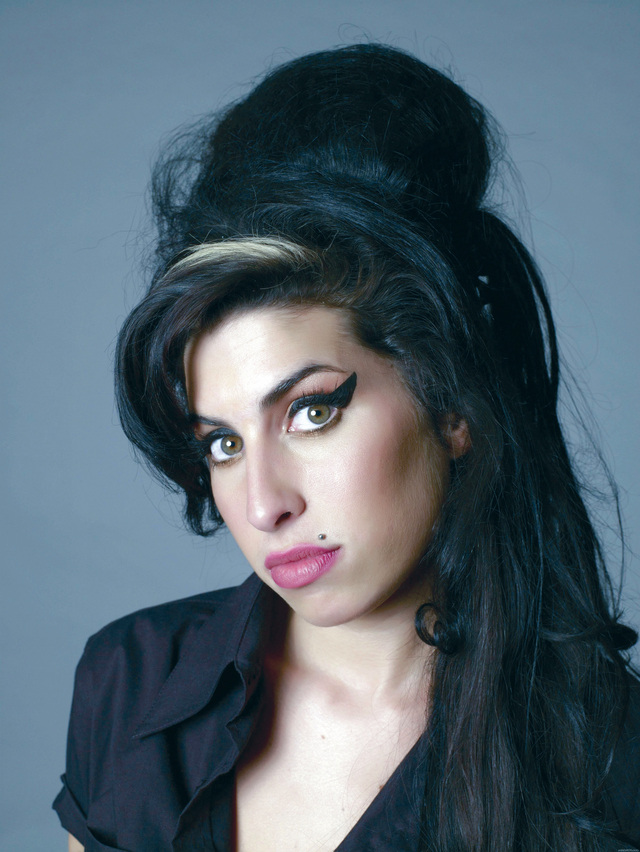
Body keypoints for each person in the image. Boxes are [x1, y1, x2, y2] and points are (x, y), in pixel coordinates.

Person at [53, 44, 640, 852]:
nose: (264, 504)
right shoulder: (134, 686)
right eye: (223, 442)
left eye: (311, 412)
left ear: (453, 407)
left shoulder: (608, 765)